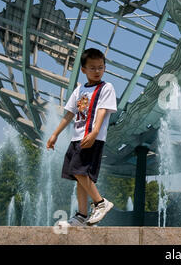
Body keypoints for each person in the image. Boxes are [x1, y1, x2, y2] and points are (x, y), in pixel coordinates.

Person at [47, 48, 117, 226]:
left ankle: (101, 203)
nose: (97, 71)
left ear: (104, 68)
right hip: (76, 138)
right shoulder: (79, 90)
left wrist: (94, 133)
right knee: (79, 177)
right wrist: (55, 134)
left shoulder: (106, 88)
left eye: (100, 67)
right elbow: (69, 114)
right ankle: (82, 215)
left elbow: (102, 111)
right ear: (83, 69)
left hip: (92, 138)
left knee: (80, 172)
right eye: (92, 68)